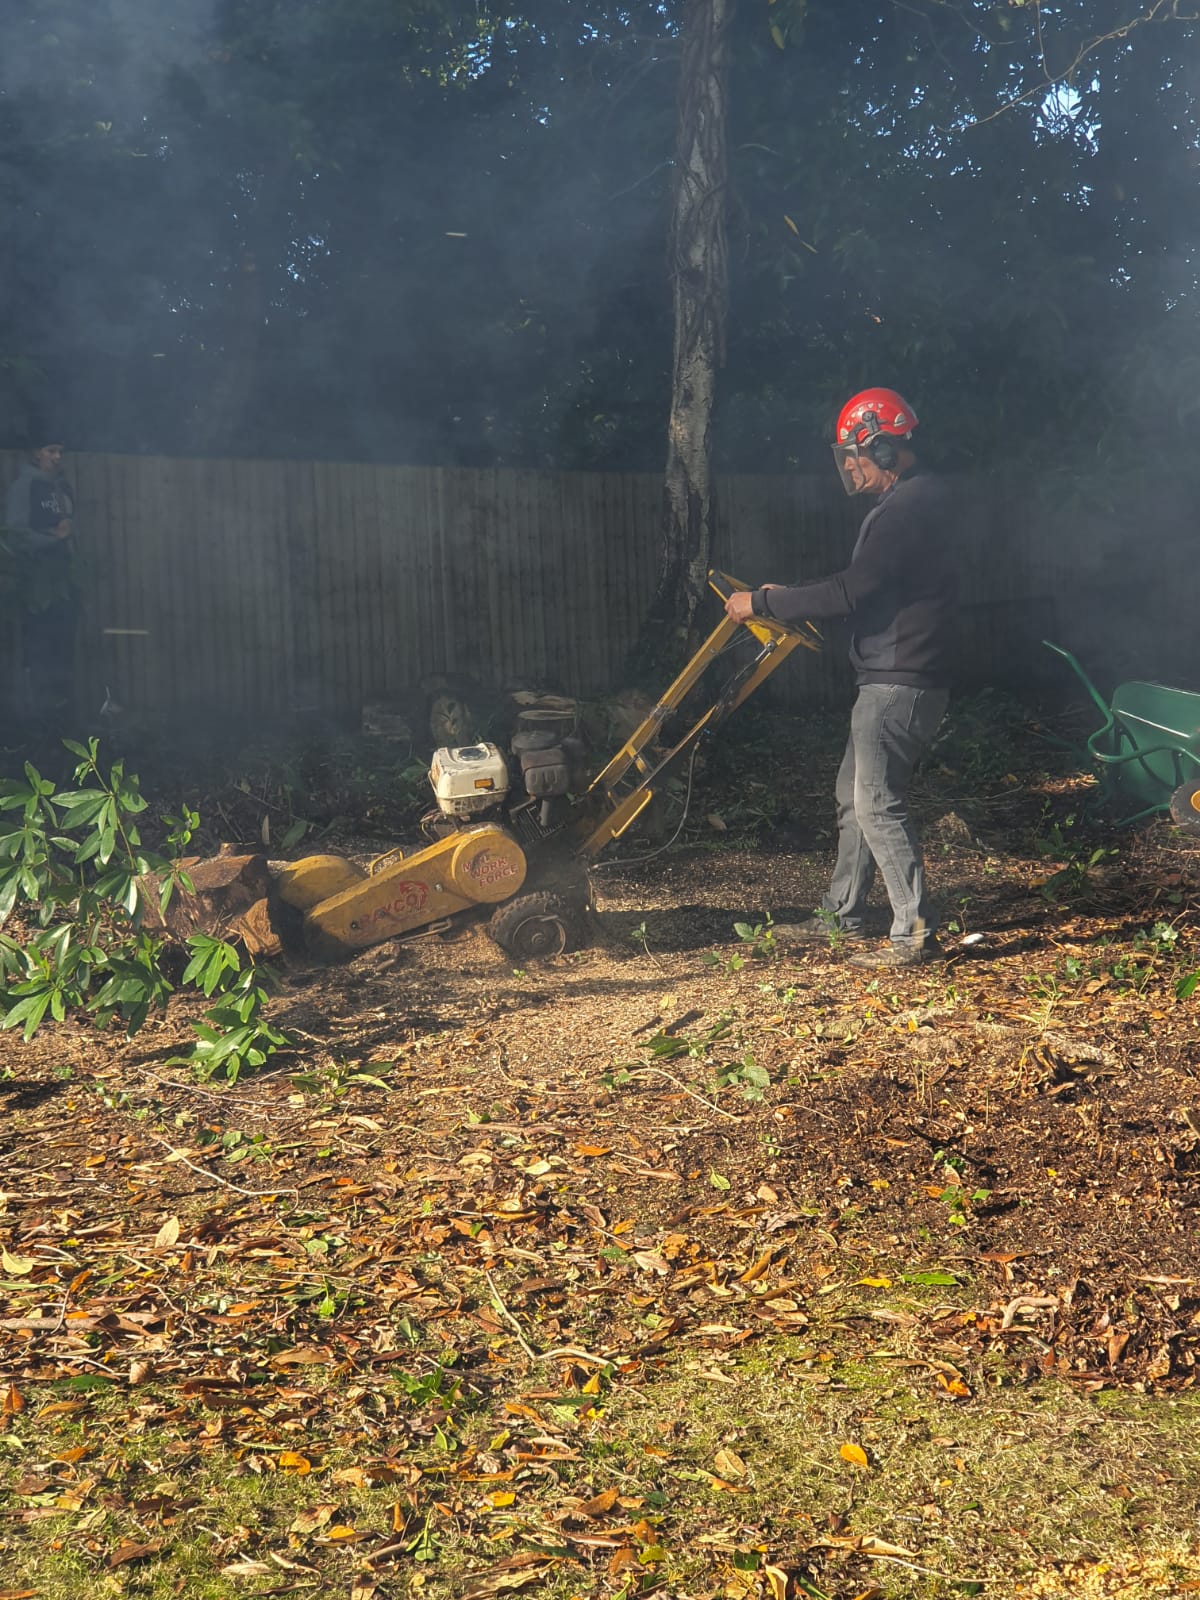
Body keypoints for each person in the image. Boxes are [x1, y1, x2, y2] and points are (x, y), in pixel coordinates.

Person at [724, 387, 957, 968]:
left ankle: (915, 934)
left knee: (876, 801)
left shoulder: (909, 509)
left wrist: (764, 603)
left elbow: (851, 590)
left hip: (898, 681)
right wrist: (780, 598)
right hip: (891, 676)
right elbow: (861, 585)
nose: (849, 468)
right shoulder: (912, 502)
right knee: (853, 799)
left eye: (856, 454)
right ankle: (844, 917)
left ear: (885, 447)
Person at [4, 433, 78, 716]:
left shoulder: (63, 488)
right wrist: (52, 539)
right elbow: (16, 535)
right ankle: (37, 715)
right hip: (36, 581)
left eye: (61, 451)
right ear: (37, 453)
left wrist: (68, 544)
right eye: (51, 451)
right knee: (40, 645)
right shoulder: (25, 487)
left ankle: (63, 713)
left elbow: (67, 530)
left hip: (65, 579)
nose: (58, 457)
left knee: (64, 645)